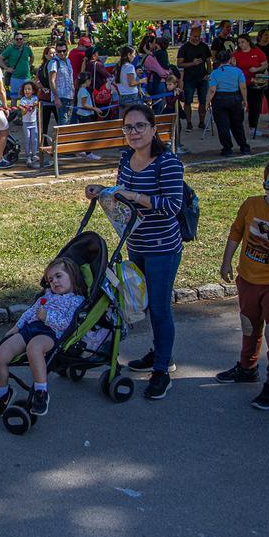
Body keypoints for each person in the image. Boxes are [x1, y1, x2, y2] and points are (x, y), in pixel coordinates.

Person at [85, 103, 184, 400]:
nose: (134, 132)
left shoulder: (167, 163)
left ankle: (162, 370)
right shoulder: (126, 158)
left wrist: (135, 196)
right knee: (145, 303)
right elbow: (122, 198)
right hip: (136, 243)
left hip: (163, 248)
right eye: (128, 127)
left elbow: (172, 206)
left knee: (159, 306)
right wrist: (102, 191)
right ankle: (159, 353)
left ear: (154, 129)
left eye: (140, 126)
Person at [217, 157, 269, 410]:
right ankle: (247, 368)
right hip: (247, 278)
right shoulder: (251, 204)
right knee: (248, 325)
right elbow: (236, 231)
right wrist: (226, 262)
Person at [0, 257, 86, 418]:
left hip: (50, 333)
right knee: (0, 355)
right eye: (50, 279)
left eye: (59, 276)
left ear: (72, 275)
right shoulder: (47, 295)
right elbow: (29, 312)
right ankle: (3, 394)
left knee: (34, 348)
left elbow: (67, 324)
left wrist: (47, 317)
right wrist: (16, 328)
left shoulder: (76, 301)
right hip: (29, 329)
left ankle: (41, 393)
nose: (54, 281)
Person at [207, 47, 251, 156]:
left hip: (219, 99)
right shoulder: (238, 71)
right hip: (235, 98)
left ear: (217, 60)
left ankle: (227, 149)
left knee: (223, 126)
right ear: (230, 59)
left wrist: (207, 102)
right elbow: (243, 87)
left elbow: (212, 90)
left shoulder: (214, 73)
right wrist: (245, 99)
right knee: (237, 124)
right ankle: (244, 146)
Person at [231, 35, 268, 136]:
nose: (241, 44)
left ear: (248, 42)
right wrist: (233, 65)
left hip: (254, 84)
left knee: (254, 106)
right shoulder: (236, 54)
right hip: (239, 84)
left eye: (242, 42)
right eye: (239, 43)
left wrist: (256, 69)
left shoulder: (257, 51)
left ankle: (253, 127)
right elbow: (231, 67)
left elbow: (265, 64)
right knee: (238, 106)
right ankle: (236, 128)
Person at [0, 32, 34, 106]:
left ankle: (24, 115)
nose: (19, 41)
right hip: (15, 78)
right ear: (14, 40)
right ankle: (14, 115)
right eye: (17, 39)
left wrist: (29, 65)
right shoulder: (10, 49)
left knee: (27, 98)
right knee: (14, 98)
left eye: (20, 39)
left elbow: (32, 57)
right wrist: (6, 68)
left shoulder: (27, 49)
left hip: (26, 77)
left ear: (23, 39)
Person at [46, 43, 75, 126]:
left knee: (68, 119)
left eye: (64, 51)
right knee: (63, 119)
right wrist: (56, 98)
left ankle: (66, 137)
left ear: (67, 51)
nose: (62, 53)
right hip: (60, 96)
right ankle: (61, 138)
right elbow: (52, 81)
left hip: (69, 95)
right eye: (59, 51)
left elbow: (70, 78)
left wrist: (73, 92)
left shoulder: (68, 61)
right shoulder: (53, 63)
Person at [17, 81, 40, 168]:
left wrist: (34, 104)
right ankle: (28, 156)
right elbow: (23, 113)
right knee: (27, 139)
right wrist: (27, 107)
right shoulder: (23, 100)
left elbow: (37, 103)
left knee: (34, 139)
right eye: (25, 89)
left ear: (33, 91)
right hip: (26, 123)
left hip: (34, 122)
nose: (27, 91)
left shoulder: (35, 98)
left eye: (29, 89)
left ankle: (34, 154)